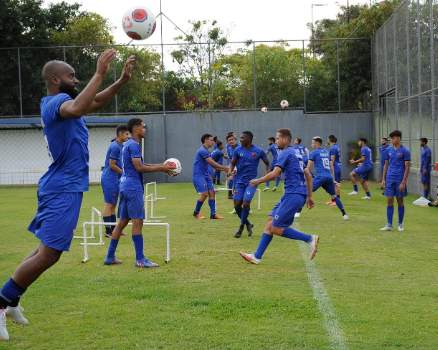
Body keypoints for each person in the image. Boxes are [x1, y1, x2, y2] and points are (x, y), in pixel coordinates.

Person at [0, 49, 135, 341]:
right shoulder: (56, 102)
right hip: (61, 186)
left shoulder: (66, 102)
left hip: (65, 186)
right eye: (71, 75)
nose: (76, 79)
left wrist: (120, 81)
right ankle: (2, 301)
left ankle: (12, 300)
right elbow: (76, 107)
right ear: (54, 79)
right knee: (51, 253)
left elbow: (95, 101)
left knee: (45, 250)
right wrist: (99, 73)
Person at [239, 128, 319, 264]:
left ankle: (310, 239)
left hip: (293, 195)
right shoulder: (297, 153)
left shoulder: (285, 153)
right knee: (270, 221)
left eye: (277, 138)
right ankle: (257, 256)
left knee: (276, 227)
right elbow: (309, 176)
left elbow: (275, 173)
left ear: (285, 139)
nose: (276, 142)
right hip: (294, 194)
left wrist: (258, 181)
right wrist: (309, 196)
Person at [104, 119, 176, 267]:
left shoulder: (128, 144)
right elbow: (139, 167)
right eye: (143, 127)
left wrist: (162, 166)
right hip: (132, 187)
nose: (145, 130)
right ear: (136, 128)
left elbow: (141, 165)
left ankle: (109, 257)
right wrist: (161, 168)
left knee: (122, 222)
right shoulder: (134, 145)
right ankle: (140, 259)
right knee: (138, 221)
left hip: (124, 184)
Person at [229, 131, 270, 238]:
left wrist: (266, 176)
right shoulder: (237, 150)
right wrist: (230, 171)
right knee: (237, 205)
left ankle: (241, 227)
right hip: (239, 182)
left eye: (242, 138)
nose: (240, 140)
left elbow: (267, 163)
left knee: (246, 203)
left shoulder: (258, 151)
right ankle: (248, 224)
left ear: (249, 139)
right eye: (240, 138)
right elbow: (232, 163)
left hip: (252, 182)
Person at [307, 137, 349, 220]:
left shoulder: (313, 153)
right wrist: (333, 179)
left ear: (317, 143)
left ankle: (297, 213)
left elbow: (308, 168)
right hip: (328, 177)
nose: (311, 144)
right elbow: (331, 166)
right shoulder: (326, 152)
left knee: (305, 191)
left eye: (312, 142)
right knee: (334, 196)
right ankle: (344, 214)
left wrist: (309, 176)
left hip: (320, 177)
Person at [101, 125, 130, 237]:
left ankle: (114, 229)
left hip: (116, 178)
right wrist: (124, 173)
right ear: (120, 134)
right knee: (109, 204)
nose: (128, 136)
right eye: (126, 134)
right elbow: (112, 165)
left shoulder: (121, 145)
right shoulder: (114, 147)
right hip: (110, 178)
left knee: (113, 204)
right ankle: (108, 231)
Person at [192, 134, 229, 220]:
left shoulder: (207, 151)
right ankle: (196, 213)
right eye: (211, 140)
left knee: (212, 193)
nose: (213, 142)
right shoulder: (202, 151)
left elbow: (215, 166)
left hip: (206, 175)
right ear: (206, 140)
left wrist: (225, 169)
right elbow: (213, 163)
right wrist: (226, 168)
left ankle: (213, 214)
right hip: (199, 175)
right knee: (205, 194)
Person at [380, 130, 411, 232]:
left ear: (398, 138)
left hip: (399, 179)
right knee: (389, 200)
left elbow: (407, 167)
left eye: (393, 138)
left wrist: (403, 182)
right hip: (390, 179)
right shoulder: (389, 150)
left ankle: (400, 224)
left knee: (400, 201)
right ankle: (389, 224)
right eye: (391, 138)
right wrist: (383, 179)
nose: (392, 140)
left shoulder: (405, 151)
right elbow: (386, 165)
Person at [292, 137, 309, 218]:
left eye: (295, 140)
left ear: (297, 141)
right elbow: (307, 152)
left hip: (299, 161)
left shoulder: (294, 147)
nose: (294, 141)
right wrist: (308, 159)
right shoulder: (303, 147)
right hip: (305, 160)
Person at [327, 135, 342, 205]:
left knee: (336, 184)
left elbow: (332, 159)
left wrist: (330, 168)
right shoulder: (336, 147)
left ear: (330, 140)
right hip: (337, 166)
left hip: (335, 167)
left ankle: (336, 201)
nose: (327, 140)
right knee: (333, 184)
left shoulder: (333, 148)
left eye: (328, 139)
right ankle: (333, 200)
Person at [225, 133, 239, 200]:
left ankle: (237, 193)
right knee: (230, 179)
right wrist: (230, 167)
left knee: (236, 180)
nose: (231, 141)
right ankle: (230, 194)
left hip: (240, 166)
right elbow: (229, 157)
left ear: (235, 140)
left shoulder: (240, 147)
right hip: (232, 165)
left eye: (232, 139)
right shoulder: (228, 147)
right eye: (229, 140)